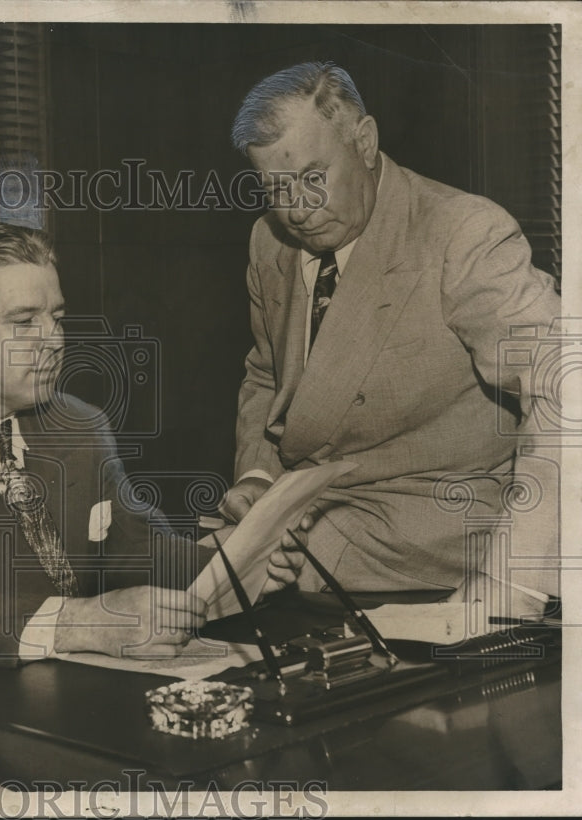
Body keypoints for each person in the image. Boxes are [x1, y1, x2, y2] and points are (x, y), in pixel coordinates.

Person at [0, 218, 309, 666]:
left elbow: (134, 550)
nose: (54, 341)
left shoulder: (78, 422)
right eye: (24, 322)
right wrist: (79, 623)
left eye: (57, 317)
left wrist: (241, 562)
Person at [220, 62, 560, 602]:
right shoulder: (268, 242)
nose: (298, 212)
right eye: (275, 188)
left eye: (313, 178)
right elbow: (268, 373)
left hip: (438, 525)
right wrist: (257, 482)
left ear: (366, 142)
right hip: (304, 511)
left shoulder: (463, 233)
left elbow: (563, 391)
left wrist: (515, 583)